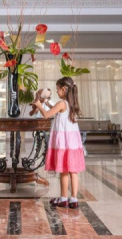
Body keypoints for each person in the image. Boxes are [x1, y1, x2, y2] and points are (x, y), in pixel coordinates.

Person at [33, 76, 85, 209]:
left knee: (64, 171)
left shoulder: (62, 103)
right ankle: (74, 199)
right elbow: (56, 110)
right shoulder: (72, 103)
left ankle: (63, 198)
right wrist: (47, 103)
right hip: (73, 143)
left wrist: (39, 105)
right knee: (73, 171)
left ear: (63, 89)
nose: (56, 91)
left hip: (64, 143)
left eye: (57, 89)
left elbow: (47, 115)